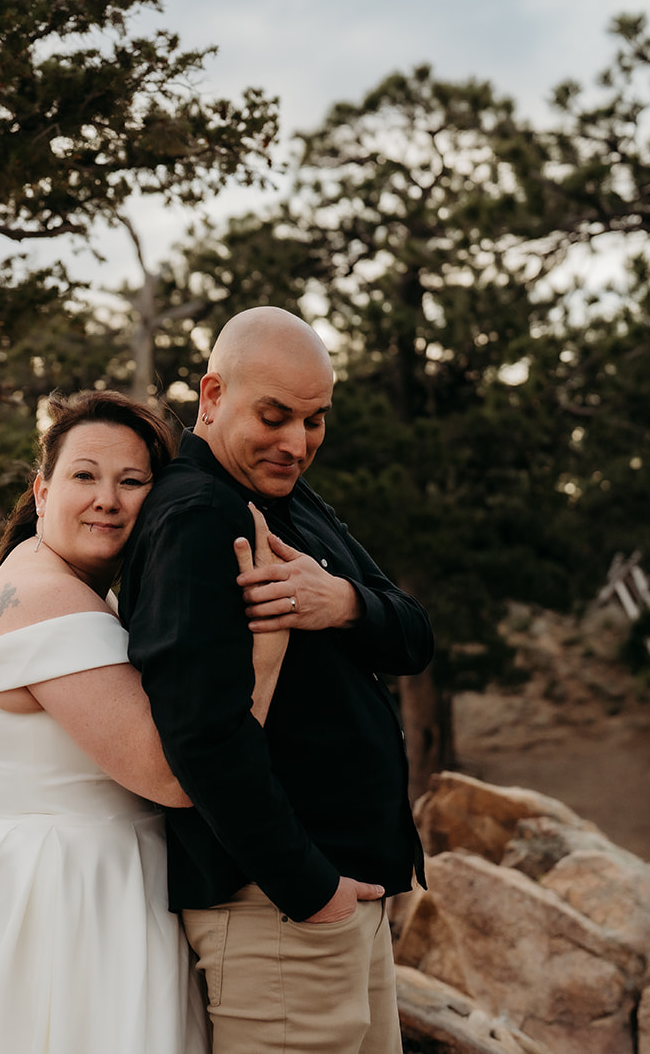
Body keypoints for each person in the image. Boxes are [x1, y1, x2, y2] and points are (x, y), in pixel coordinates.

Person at [0, 390, 282, 1054]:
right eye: (85, 476)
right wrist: (267, 650)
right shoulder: (48, 600)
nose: (108, 499)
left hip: (67, 889)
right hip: (65, 907)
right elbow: (175, 775)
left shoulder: (53, 584)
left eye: (131, 481)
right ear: (42, 492)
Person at [119, 307, 434, 1054]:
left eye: (316, 420)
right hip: (278, 911)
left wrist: (345, 603)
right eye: (276, 415)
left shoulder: (288, 497)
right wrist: (313, 891)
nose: (297, 442)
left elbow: (414, 634)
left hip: (341, 898)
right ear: (213, 393)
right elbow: (201, 735)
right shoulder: (198, 514)